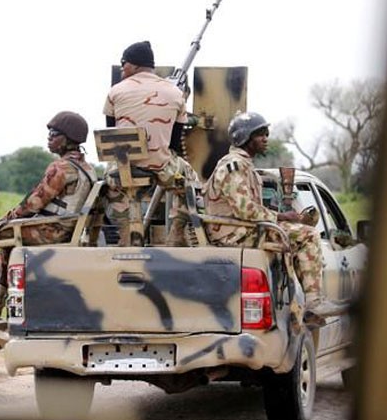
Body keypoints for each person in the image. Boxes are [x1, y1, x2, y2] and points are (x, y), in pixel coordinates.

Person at [0, 111, 97, 317]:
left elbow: (33, 203)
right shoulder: (87, 168)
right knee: (6, 246)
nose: (49, 137)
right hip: (62, 228)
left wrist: (8, 218)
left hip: (50, 230)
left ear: (68, 139)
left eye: (54, 133)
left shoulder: (61, 168)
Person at [202, 111, 327, 321]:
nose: (265, 139)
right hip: (235, 234)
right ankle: (314, 304)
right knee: (307, 235)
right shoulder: (234, 166)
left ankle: (307, 307)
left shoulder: (244, 166)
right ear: (245, 138)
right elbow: (245, 210)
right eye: (260, 134)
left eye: (266, 134)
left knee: (298, 235)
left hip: (242, 230)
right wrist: (282, 217)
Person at [102, 40, 201, 245]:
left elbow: (111, 135)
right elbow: (175, 142)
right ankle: (176, 232)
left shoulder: (115, 92)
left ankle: (127, 234)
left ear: (135, 65)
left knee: (109, 184)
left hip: (122, 169)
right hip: (161, 168)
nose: (122, 68)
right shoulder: (175, 93)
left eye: (124, 63)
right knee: (190, 179)